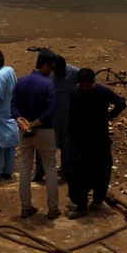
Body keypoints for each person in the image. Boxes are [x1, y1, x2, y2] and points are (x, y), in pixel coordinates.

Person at [63, 68, 126, 218]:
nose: (85, 88)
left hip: (99, 139)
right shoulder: (75, 93)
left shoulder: (102, 91)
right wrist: (67, 134)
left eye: (88, 85)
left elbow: (121, 103)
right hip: (79, 139)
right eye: (82, 85)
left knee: (101, 170)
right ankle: (81, 204)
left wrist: (107, 117)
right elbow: (71, 114)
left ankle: (97, 200)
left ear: (93, 83)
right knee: (75, 171)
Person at [11, 49, 60, 220]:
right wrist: (34, 123)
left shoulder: (22, 81)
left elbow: (13, 106)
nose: (52, 71)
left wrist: (21, 122)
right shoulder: (48, 84)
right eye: (51, 67)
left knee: (25, 168)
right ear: (45, 66)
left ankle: (26, 207)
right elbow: (51, 110)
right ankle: (53, 209)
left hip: (25, 131)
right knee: (50, 168)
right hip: (44, 131)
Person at [37, 52, 79, 181]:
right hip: (49, 116)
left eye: (60, 72)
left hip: (66, 117)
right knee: (42, 146)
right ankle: (39, 173)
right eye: (55, 71)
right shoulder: (48, 72)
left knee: (65, 146)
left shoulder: (74, 72)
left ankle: (65, 173)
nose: (57, 74)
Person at [0, 50, 19, 181]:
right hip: (8, 114)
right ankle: (7, 171)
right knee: (9, 145)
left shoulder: (0, 76)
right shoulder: (10, 70)